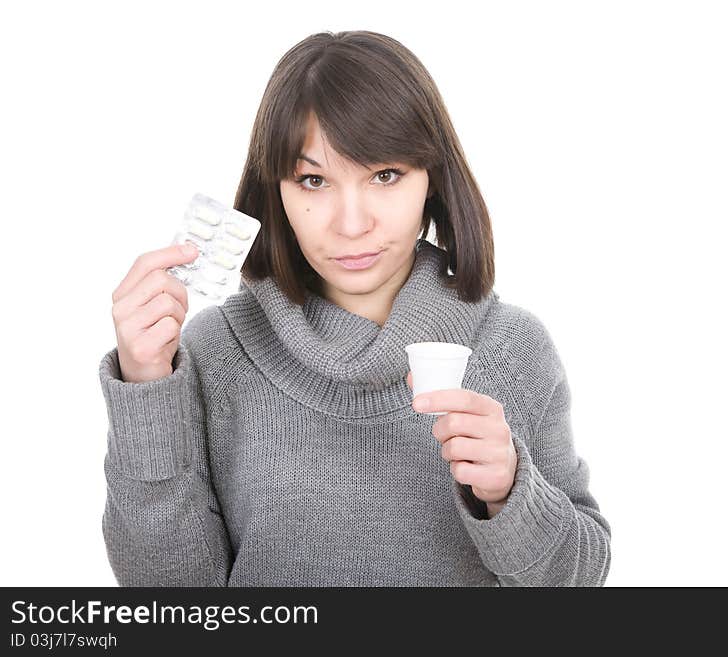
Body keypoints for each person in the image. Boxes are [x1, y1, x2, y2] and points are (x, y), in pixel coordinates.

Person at [98, 30, 611, 586]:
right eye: (313, 180)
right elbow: (169, 601)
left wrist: (510, 492)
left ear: (431, 179)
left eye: (385, 175)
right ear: (276, 191)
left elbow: (578, 580)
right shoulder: (215, 352)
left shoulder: (513, 348)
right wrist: (146, 389)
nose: (351, 223)